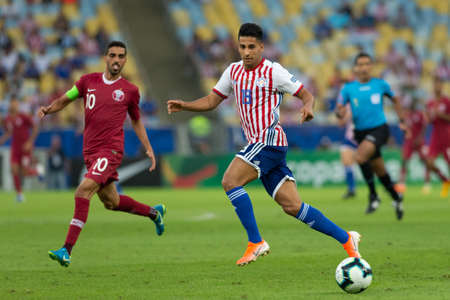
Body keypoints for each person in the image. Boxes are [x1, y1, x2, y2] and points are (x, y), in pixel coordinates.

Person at [168, 23, 362, 266]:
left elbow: (306, 94)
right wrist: (184, 105)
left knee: (230, 181)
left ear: (261, 47)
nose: (247, 52)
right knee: (293, 206)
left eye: (251, 47)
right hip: (262, 145)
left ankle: (256, 242)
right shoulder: (233, 71)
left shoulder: (274, 72)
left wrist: (308, 107)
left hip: (268, 140)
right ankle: (346, 239)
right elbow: (211, 100)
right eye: (242, 47)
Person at [38, 41, 166, 267]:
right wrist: (50, 109)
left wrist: (148, 147)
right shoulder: (88, 82)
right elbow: (66, 99)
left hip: (111, 151)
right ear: (106, 58)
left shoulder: (130, 90)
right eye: (113, 55)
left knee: (82, 191)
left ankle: (66, 250)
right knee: (111, 202)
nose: (117, 60)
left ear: (125, 60)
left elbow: (136, 120)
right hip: (90, 152)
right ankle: (154, 214)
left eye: (121, 56)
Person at [336, 53, 406, 220]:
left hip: (379, 129)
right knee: (380, 169)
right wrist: (340, 112)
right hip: (360, 132)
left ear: (371, 66)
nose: (364, 67)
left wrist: (402, 120)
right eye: (360, 64)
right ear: (355, 68)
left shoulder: (381, 84)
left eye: (367, 64)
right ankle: (397, 198)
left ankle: (373, 195)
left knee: (359, 157)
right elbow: (339, 108)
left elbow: (396, 100)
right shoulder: (348, 88)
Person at [0, 98, 39, 202]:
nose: (14, 105)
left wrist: (30, 142)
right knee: (14, 170)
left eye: (15, 103)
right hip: (15, 148)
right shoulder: (8, 119)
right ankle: (19, 194)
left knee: (25, 173)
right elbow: (8, 132)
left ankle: (38, 171)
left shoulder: (23, 116)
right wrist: (2, 140)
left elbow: (35, 127)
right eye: (12, 103)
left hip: (25, 149)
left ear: (17, 105)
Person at [398, 99, 430, 194]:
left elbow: (424, 127)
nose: (411, 106)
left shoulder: (420, 114)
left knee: (425, 161)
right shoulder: (406, 115)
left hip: (419, 142)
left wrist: (420, 138)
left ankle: (427, 183)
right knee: (404, 161)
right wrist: (404, 131)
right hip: (409, 142)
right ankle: (402, 184)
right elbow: (403, 127)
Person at [424, 77, 450, 197]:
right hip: (435, 135)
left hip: (447, 134)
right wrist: (428, 117)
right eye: (435, 85)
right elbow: (429, 120)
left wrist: (441, 115)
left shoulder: (447, 101)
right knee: (429, 162)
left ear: (442, 86)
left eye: (439, 84)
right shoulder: (430, 103)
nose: (437, 87)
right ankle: (445, 180)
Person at [337, 105, 357, 199]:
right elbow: (341, 123)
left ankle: (386, 186)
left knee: (372, 164)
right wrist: (341, 114)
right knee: (346, 162)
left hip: (364, 138)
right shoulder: (348, 106)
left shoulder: (364, 102)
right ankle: (351, 189)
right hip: (350, 138)